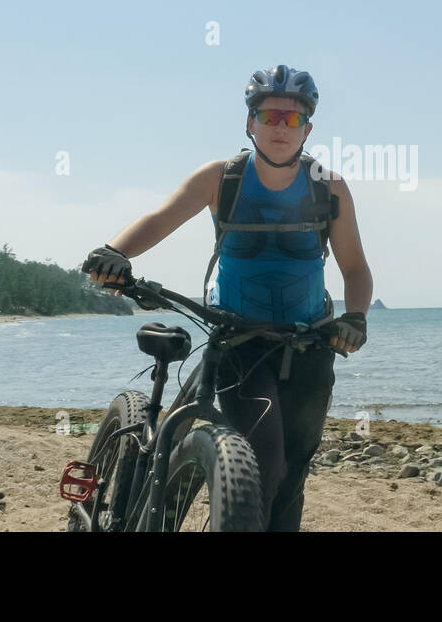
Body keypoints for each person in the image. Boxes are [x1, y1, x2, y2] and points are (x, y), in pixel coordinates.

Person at [82, 64, 374, 531]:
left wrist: (355, 317)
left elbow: (355, 268)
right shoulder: (221, 178)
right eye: (271, 115)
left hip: (312, 341)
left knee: (293, 473)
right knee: (264, 462)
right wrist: (115, 251)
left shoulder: (329, 188)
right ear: (250, 123)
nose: (281, 127)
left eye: (293, 119)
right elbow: (159, 219)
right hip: (240, 341)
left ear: (308, 129)